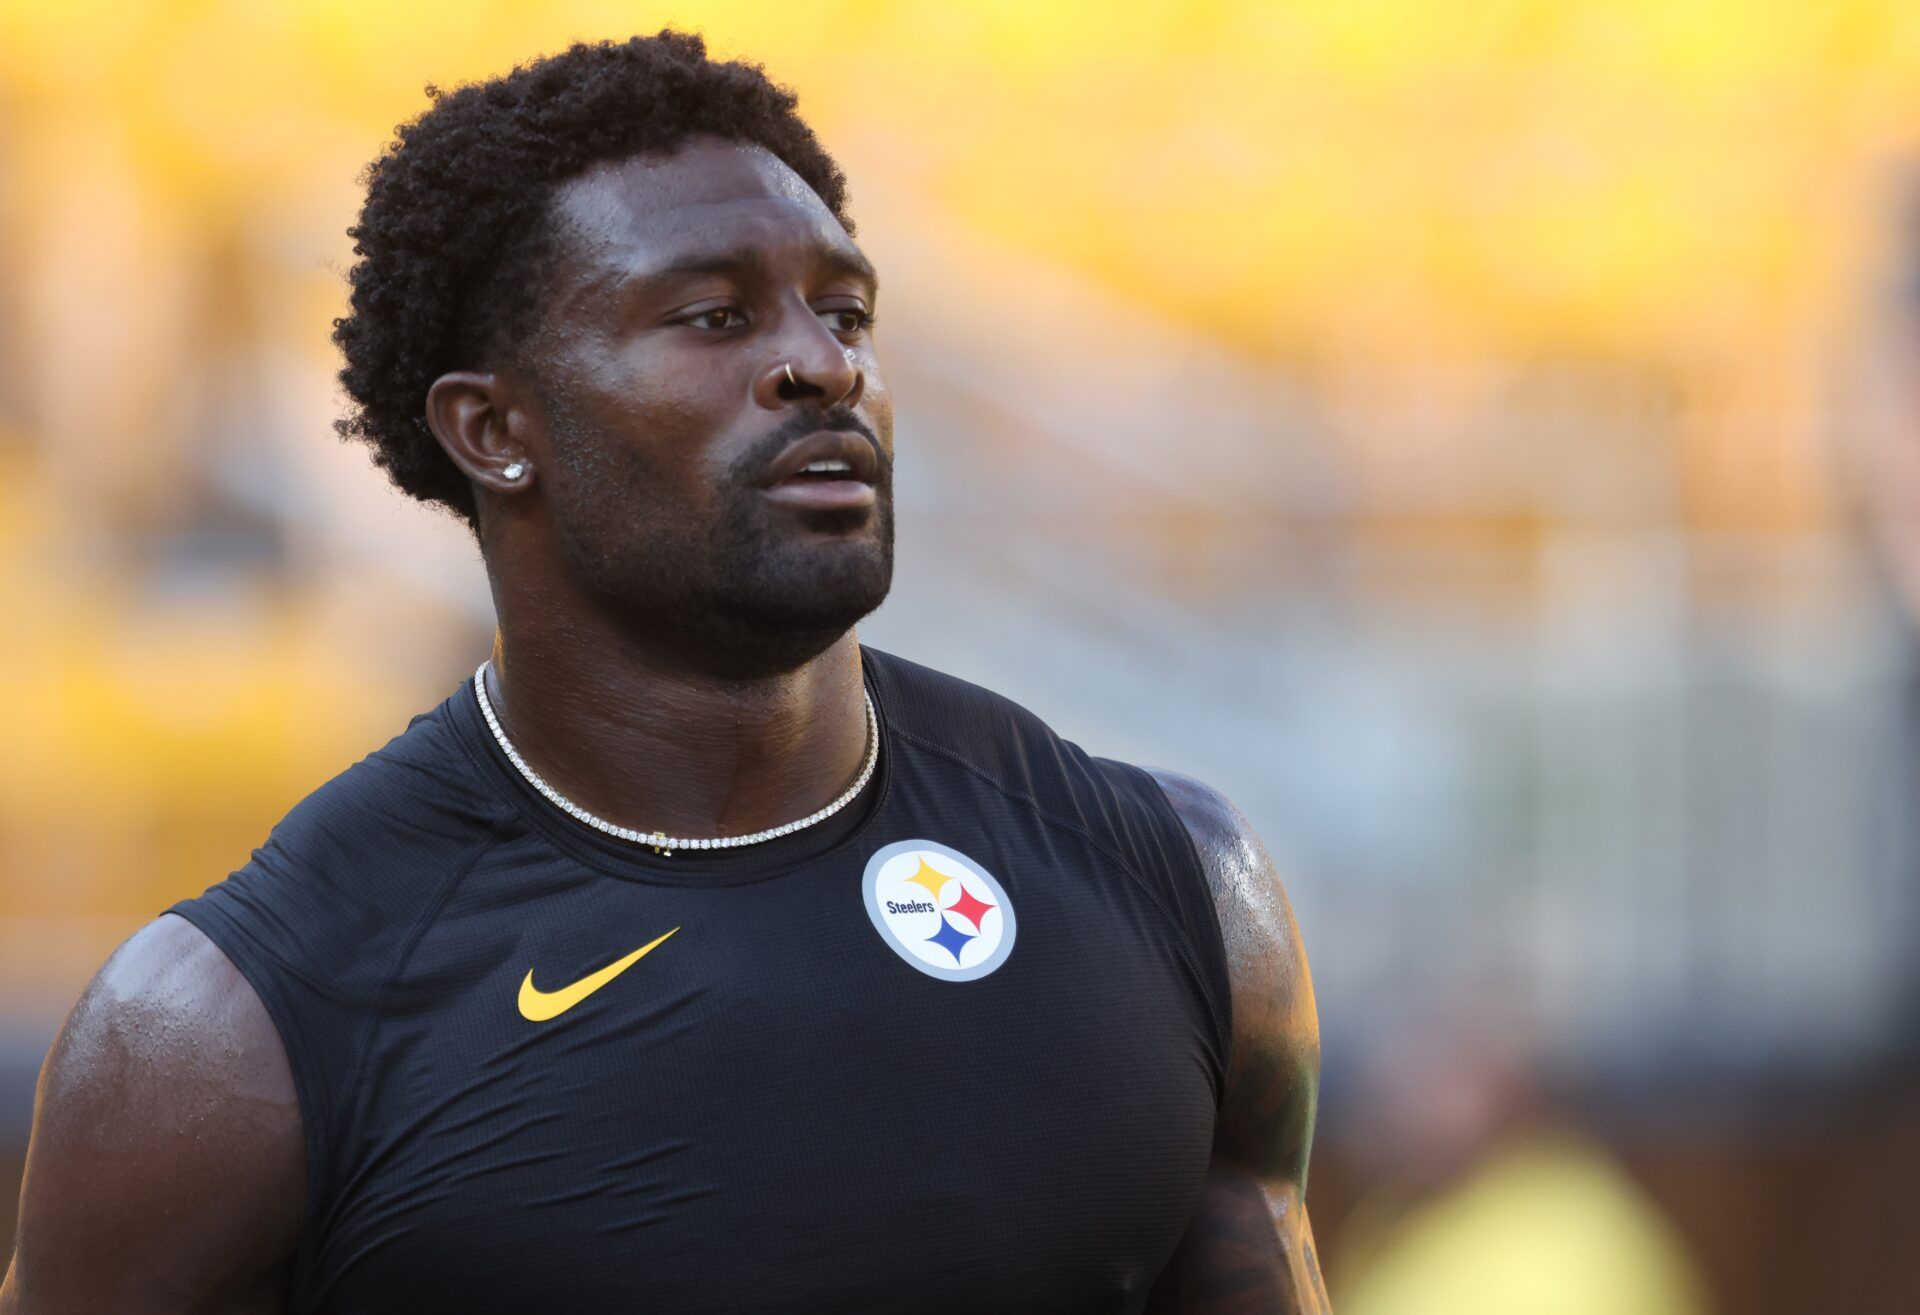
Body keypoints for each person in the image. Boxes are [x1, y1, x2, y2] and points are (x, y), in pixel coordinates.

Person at [0, 31, 1327, 1314]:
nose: (825, 365)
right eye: (715, 316)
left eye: (847, 311)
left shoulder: (1177, 884)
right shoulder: (227, 1033)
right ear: (494, 429)